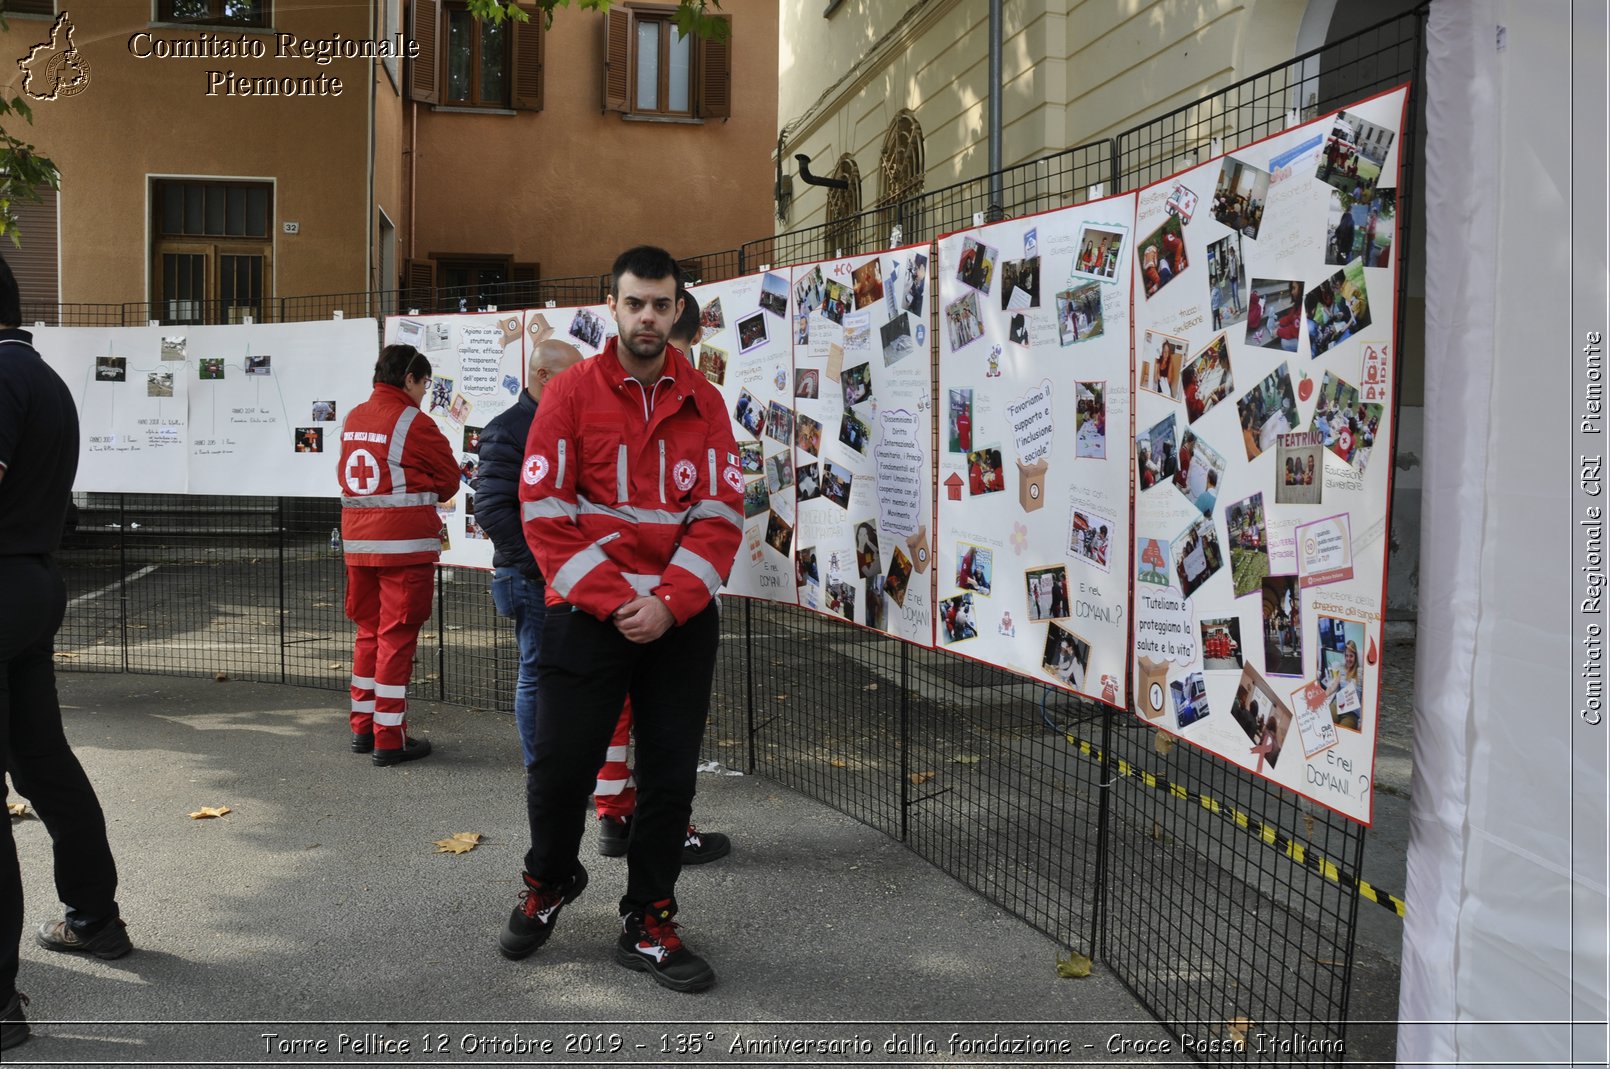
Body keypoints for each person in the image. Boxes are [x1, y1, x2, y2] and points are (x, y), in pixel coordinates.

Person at [507, 246, 742, 994]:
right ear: (612, 307)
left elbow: (720, 516)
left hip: (677, 622)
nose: (647, 316)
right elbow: (544, 515)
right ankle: (549, 878)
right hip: (587, 614)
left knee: (669, 781)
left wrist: (668, 603)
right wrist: (617, 601)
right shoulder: (569, 394)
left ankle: (649, 917)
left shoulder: (706, 401)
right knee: (559, 769)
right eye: (634, 302)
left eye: (660, 304)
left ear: (677, 311)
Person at [1, 256, 132, 1052]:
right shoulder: (40, 376)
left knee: (37, 763)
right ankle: (95, 915)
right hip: (30, 583)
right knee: (40, 760)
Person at [590, 294, 730, 866]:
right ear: (688, 335)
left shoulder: (601, 390)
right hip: (666, 600)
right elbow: (709, 511)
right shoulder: (690, 393)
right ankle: (662, 829)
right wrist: (675, 599)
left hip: (612, 593)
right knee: (665, 728)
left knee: (617, 712)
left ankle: (615, 816)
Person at [338, 344, 459, 766]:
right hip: (403, 549)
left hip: (358, 547)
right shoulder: (413, 421)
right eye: (425, 383)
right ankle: (389, 737)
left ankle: (362, 727)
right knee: (396, 638)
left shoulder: (354, 416)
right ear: (410, 379)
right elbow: (448, 482)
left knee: (368, 634)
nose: (425, 392)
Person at [475, 336, 583, 769]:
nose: (581, 382)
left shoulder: (561, 420)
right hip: (530, 576)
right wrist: (540, 566)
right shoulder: (509, 428)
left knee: (554, 672)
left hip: (555, 574)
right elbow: (491, 510)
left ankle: (560, 766)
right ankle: (544, 772)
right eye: (572, 374)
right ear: (543, 375)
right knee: (537, 673)